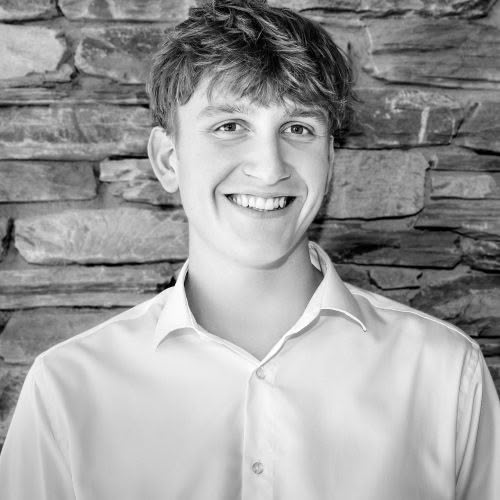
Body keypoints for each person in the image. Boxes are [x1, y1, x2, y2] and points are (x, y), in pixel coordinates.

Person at [0, 0, 499, 498]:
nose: (269, 167)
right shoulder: (66, 391)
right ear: (168, 159)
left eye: (298, 128)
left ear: (329, 161)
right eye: (230, 126)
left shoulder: (447, 376)